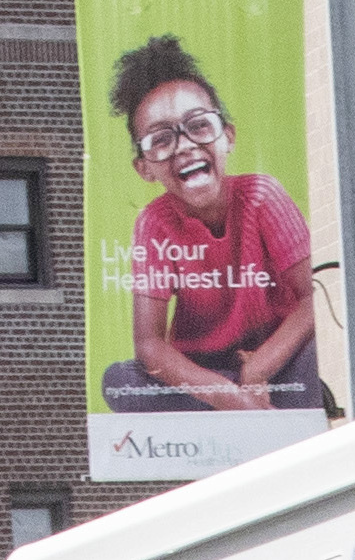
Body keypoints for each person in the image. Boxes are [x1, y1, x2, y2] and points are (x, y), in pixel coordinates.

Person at [99, 33, 324, 413]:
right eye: (161, 139)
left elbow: (311, 300)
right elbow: (149, 345)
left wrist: (256, 371)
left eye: (199, 126)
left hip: (275, 362)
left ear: (228, 137)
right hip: (204, 378)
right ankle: (241, 419)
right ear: (144, 168)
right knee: (120, 381)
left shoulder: (262, 197)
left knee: (313, 356)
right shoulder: (154, 224)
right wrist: (227, 394)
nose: (185, 146)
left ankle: (276, 423)